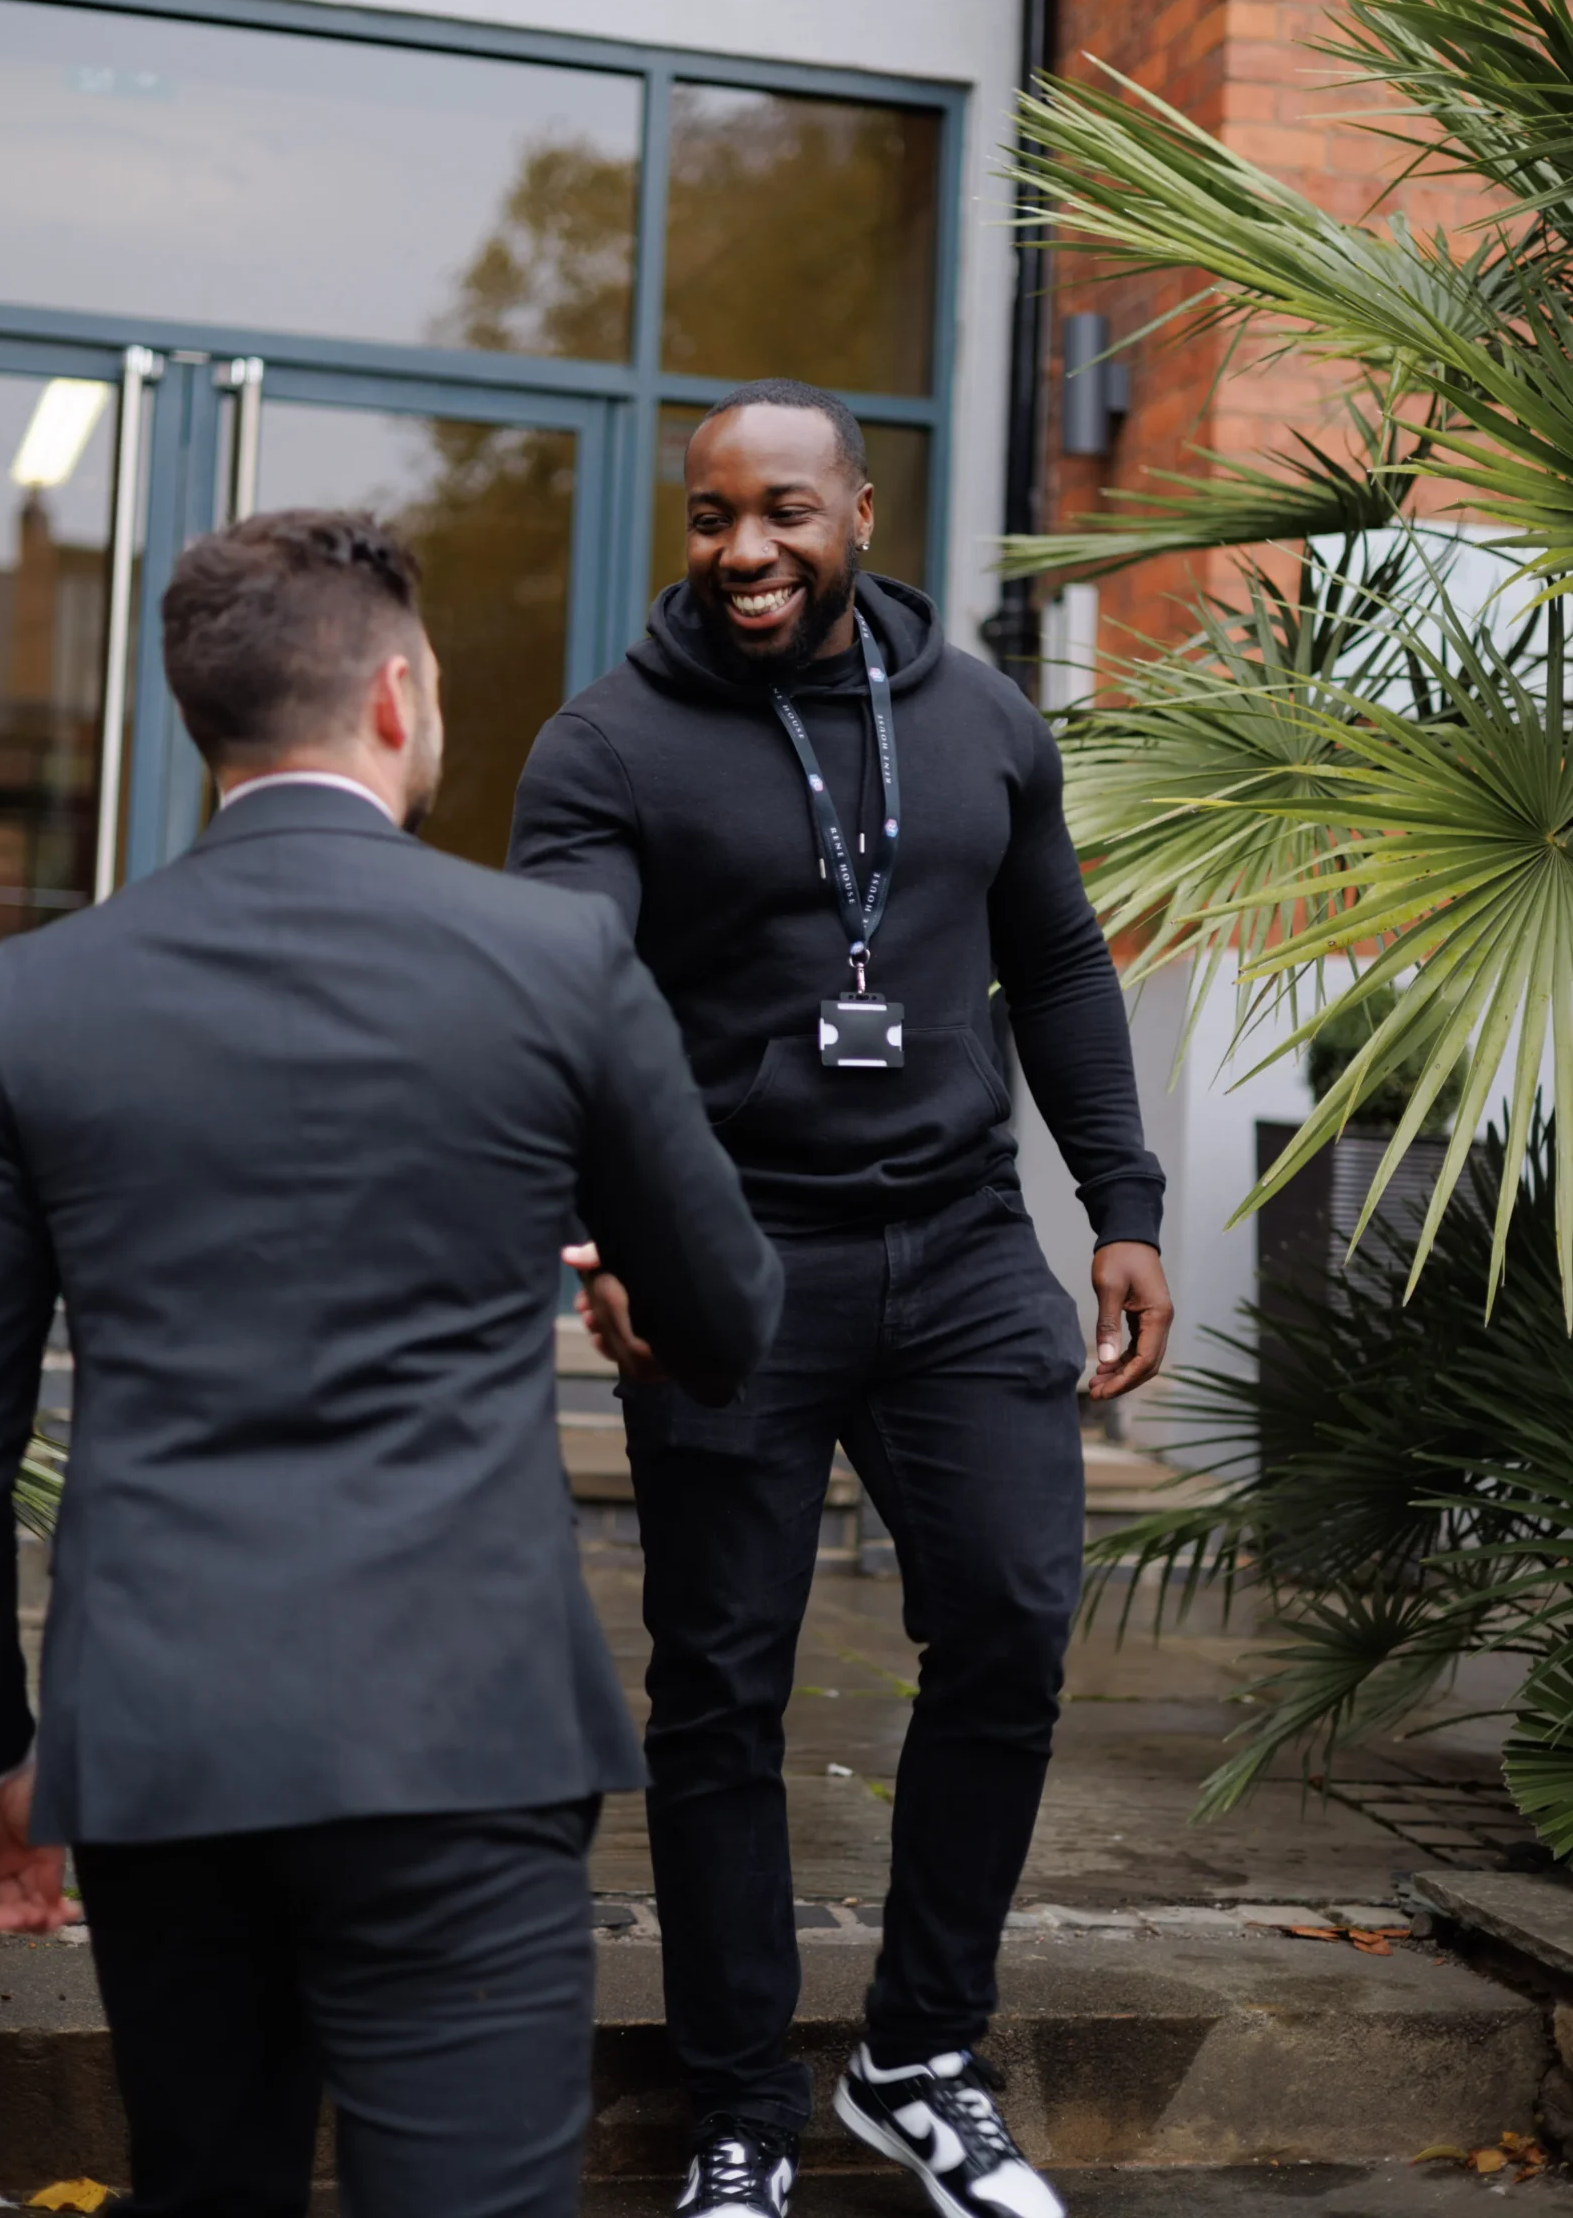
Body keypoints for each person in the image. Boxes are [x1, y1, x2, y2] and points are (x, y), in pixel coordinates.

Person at [0, 510, 782, 2218]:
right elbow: (730, 1314)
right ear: (392, 698)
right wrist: (641, 1319)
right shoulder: (554, 959)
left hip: (161, 1743)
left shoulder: (39, 1000)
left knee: (206, 2187)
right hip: (466, 1735)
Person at [508, 380, 1173, 2218]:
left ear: (860, 515)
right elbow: (567, 1016)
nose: (746, 554)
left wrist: (1118, 1202)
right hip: (731, 1259)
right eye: (715, 518)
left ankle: (917, 2057)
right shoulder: (608, 746)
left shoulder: (980, 720)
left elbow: (1056, 961)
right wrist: (609, 1230)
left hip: (960, 1242)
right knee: (719, 1687)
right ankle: (739, 2107)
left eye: (783, 514)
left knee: (1018, 1625)